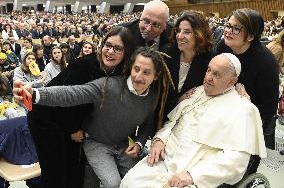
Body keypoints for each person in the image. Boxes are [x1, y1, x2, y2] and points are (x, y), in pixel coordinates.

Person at [14, 47, 174, 188]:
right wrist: (35, 93)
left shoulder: (153, 96)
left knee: (140, 178)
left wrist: (139, 143)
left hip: (123, 144)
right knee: (113, 183)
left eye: (146, 72)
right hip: (97, 143)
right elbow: (71, 93)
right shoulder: (108, 86)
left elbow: (148, 122)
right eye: (136, 69)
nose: (138, 76)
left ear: (156, 75)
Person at [120, 53, 267, 188]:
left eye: (217, 74)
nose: (208, 77)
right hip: (163, 160)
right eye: (208, 70)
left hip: (196, 175)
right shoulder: (197, 91)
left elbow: (236, 160)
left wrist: (193, 176)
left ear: (232, 81)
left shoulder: (243, 108)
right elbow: (172, 122)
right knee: (129, 181)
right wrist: (159, 140)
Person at [25, 26, 135, 188]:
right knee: (57, 171)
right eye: (108, 45)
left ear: (126, 52)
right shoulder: (84, 66)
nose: (110, 51)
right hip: (47, 118)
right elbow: (64, 101)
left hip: (74, 120)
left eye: (117, 48)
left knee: (75, 168)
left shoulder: (120, 71)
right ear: (101, 45)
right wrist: (73, 130)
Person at [214, 8, 279, 154]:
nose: (228, 31)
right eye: (228, 25)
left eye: (236, 28)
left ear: (250, 36)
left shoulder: (266, 63)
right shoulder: (223, 45)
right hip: (223, 109)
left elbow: (267, 108)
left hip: (249, 119)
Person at [162, 10, 214, 120]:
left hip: (193, 118)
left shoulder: (210, 59)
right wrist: (178, 100)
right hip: (164, 116)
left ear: (200, 34)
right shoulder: (165, 54)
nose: (179, 36)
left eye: (187, 32)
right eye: (178, 31)